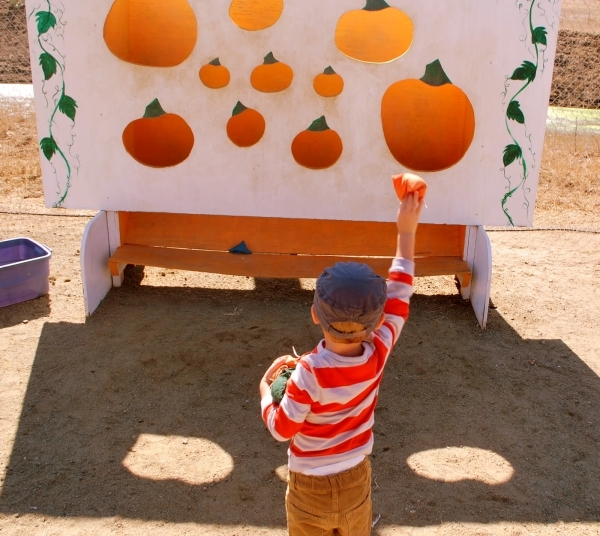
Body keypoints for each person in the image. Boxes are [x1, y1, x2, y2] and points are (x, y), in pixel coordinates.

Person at [259, 187, 424, 536]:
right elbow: (399, 294)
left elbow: (281, 429)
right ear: (378, 323)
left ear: (315, 315)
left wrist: (266, 391)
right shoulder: (378, 351)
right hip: (356, 480)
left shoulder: (308, 371)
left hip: (309, 487)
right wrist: (406, 232)